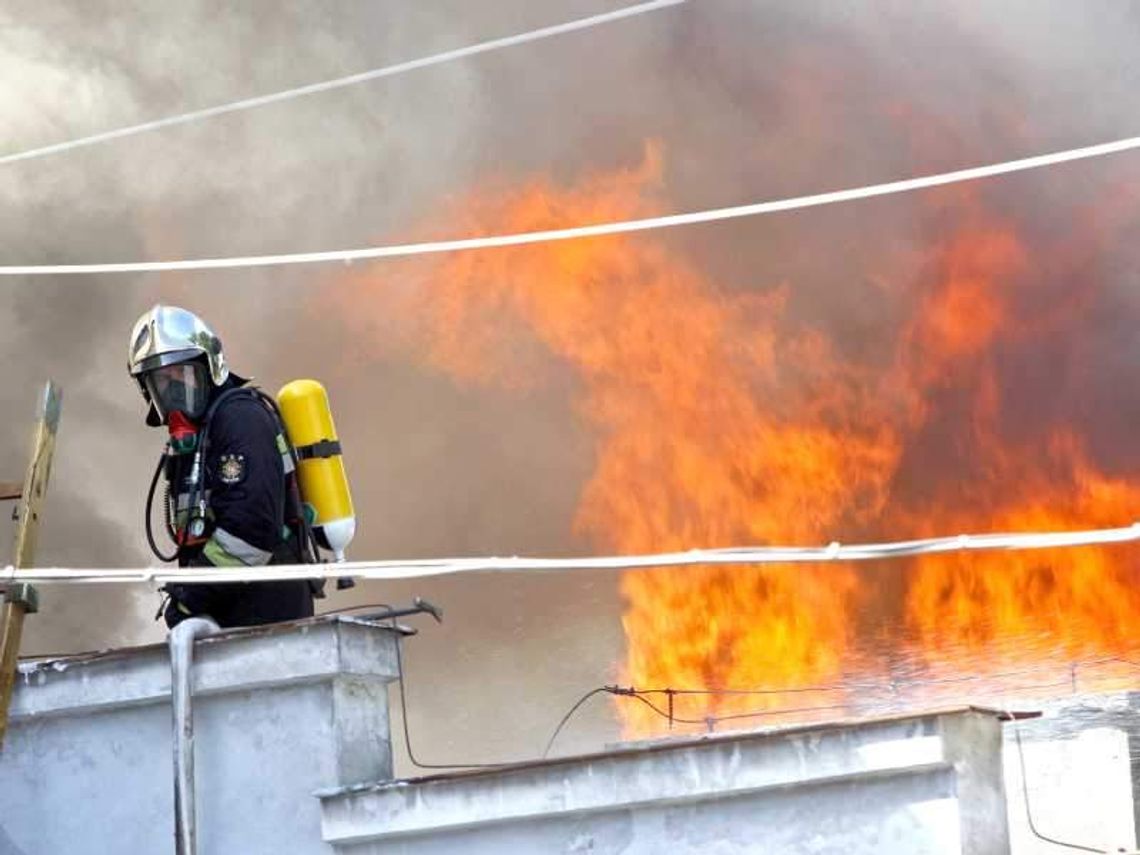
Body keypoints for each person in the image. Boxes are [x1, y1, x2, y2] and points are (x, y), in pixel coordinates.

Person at [128, 304, 316, 628]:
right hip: (227, 614)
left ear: (210, 366)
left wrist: (189, 598)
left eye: (182, 373)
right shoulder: (199, 437)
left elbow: (250, 531)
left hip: (266, 616)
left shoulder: (240, 420)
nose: (174, 390)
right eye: (161, 381)